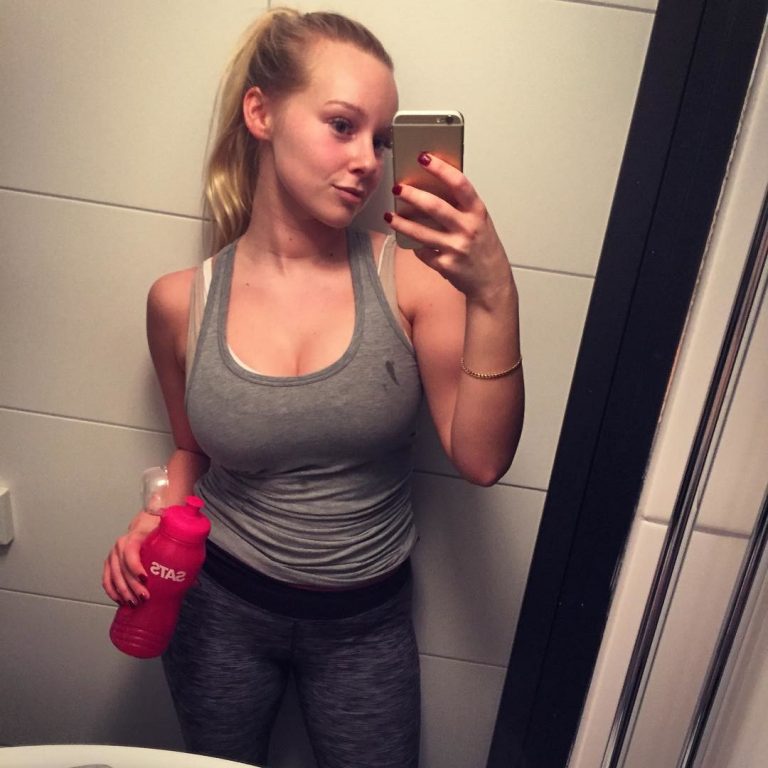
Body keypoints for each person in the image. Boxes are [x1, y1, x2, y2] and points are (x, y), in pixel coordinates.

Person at [102, 7, 523, 767]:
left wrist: (494, 292)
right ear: (260, 113)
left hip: (366, 624)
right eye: (342, 125)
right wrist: (152, 520)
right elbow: (191, 453)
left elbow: (483, 459)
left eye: (381, 139)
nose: (369, 161)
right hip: (217, 608)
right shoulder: (179, 302)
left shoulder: (412, 279)